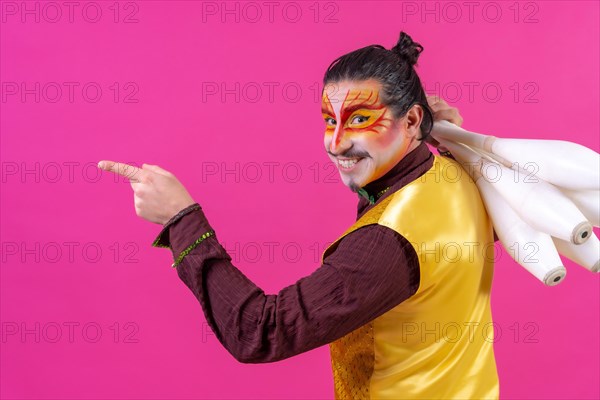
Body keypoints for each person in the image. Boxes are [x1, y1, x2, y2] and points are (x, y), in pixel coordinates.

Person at [98, 31, 498, 400]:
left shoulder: (386, 243)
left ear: (411, 120)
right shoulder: (459, 175)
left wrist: (181, 220)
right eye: (329, 121)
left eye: (360, 119)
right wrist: (441, 137)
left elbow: (261, 331)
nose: (336, 144)